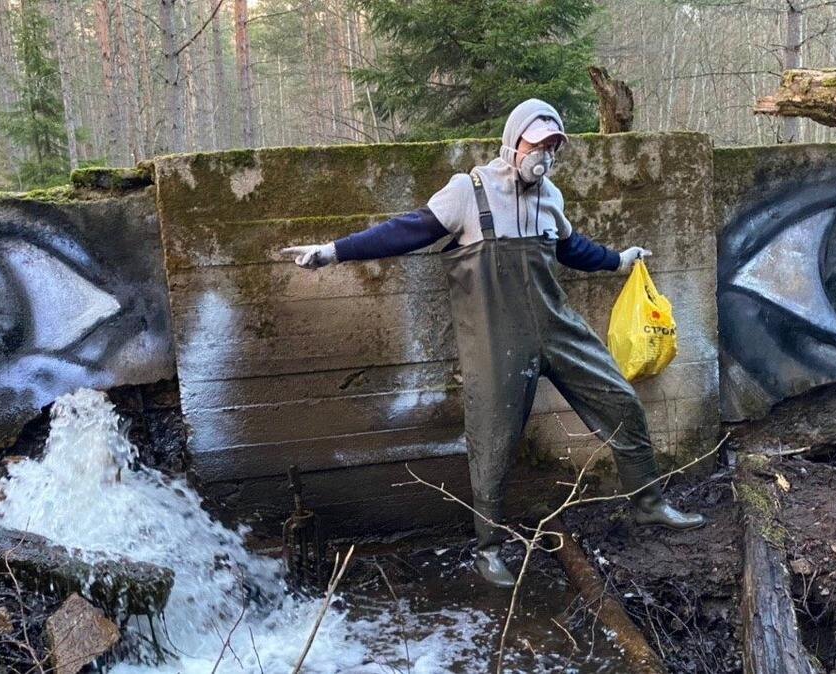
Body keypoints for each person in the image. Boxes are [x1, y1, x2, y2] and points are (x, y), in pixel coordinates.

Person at [280, 99, 704, 588]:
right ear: (513, 141)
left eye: (552, 147)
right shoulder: (469, 191)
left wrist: (619, 261)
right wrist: (332, 252)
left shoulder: (551, 197)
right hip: (494, 342)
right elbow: (407, 231)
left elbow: (572, 248)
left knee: (622, 401)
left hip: (557, 328)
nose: (543, 156)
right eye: (536, 144)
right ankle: (488, 549)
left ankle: (649, 504)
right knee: (494, 441)